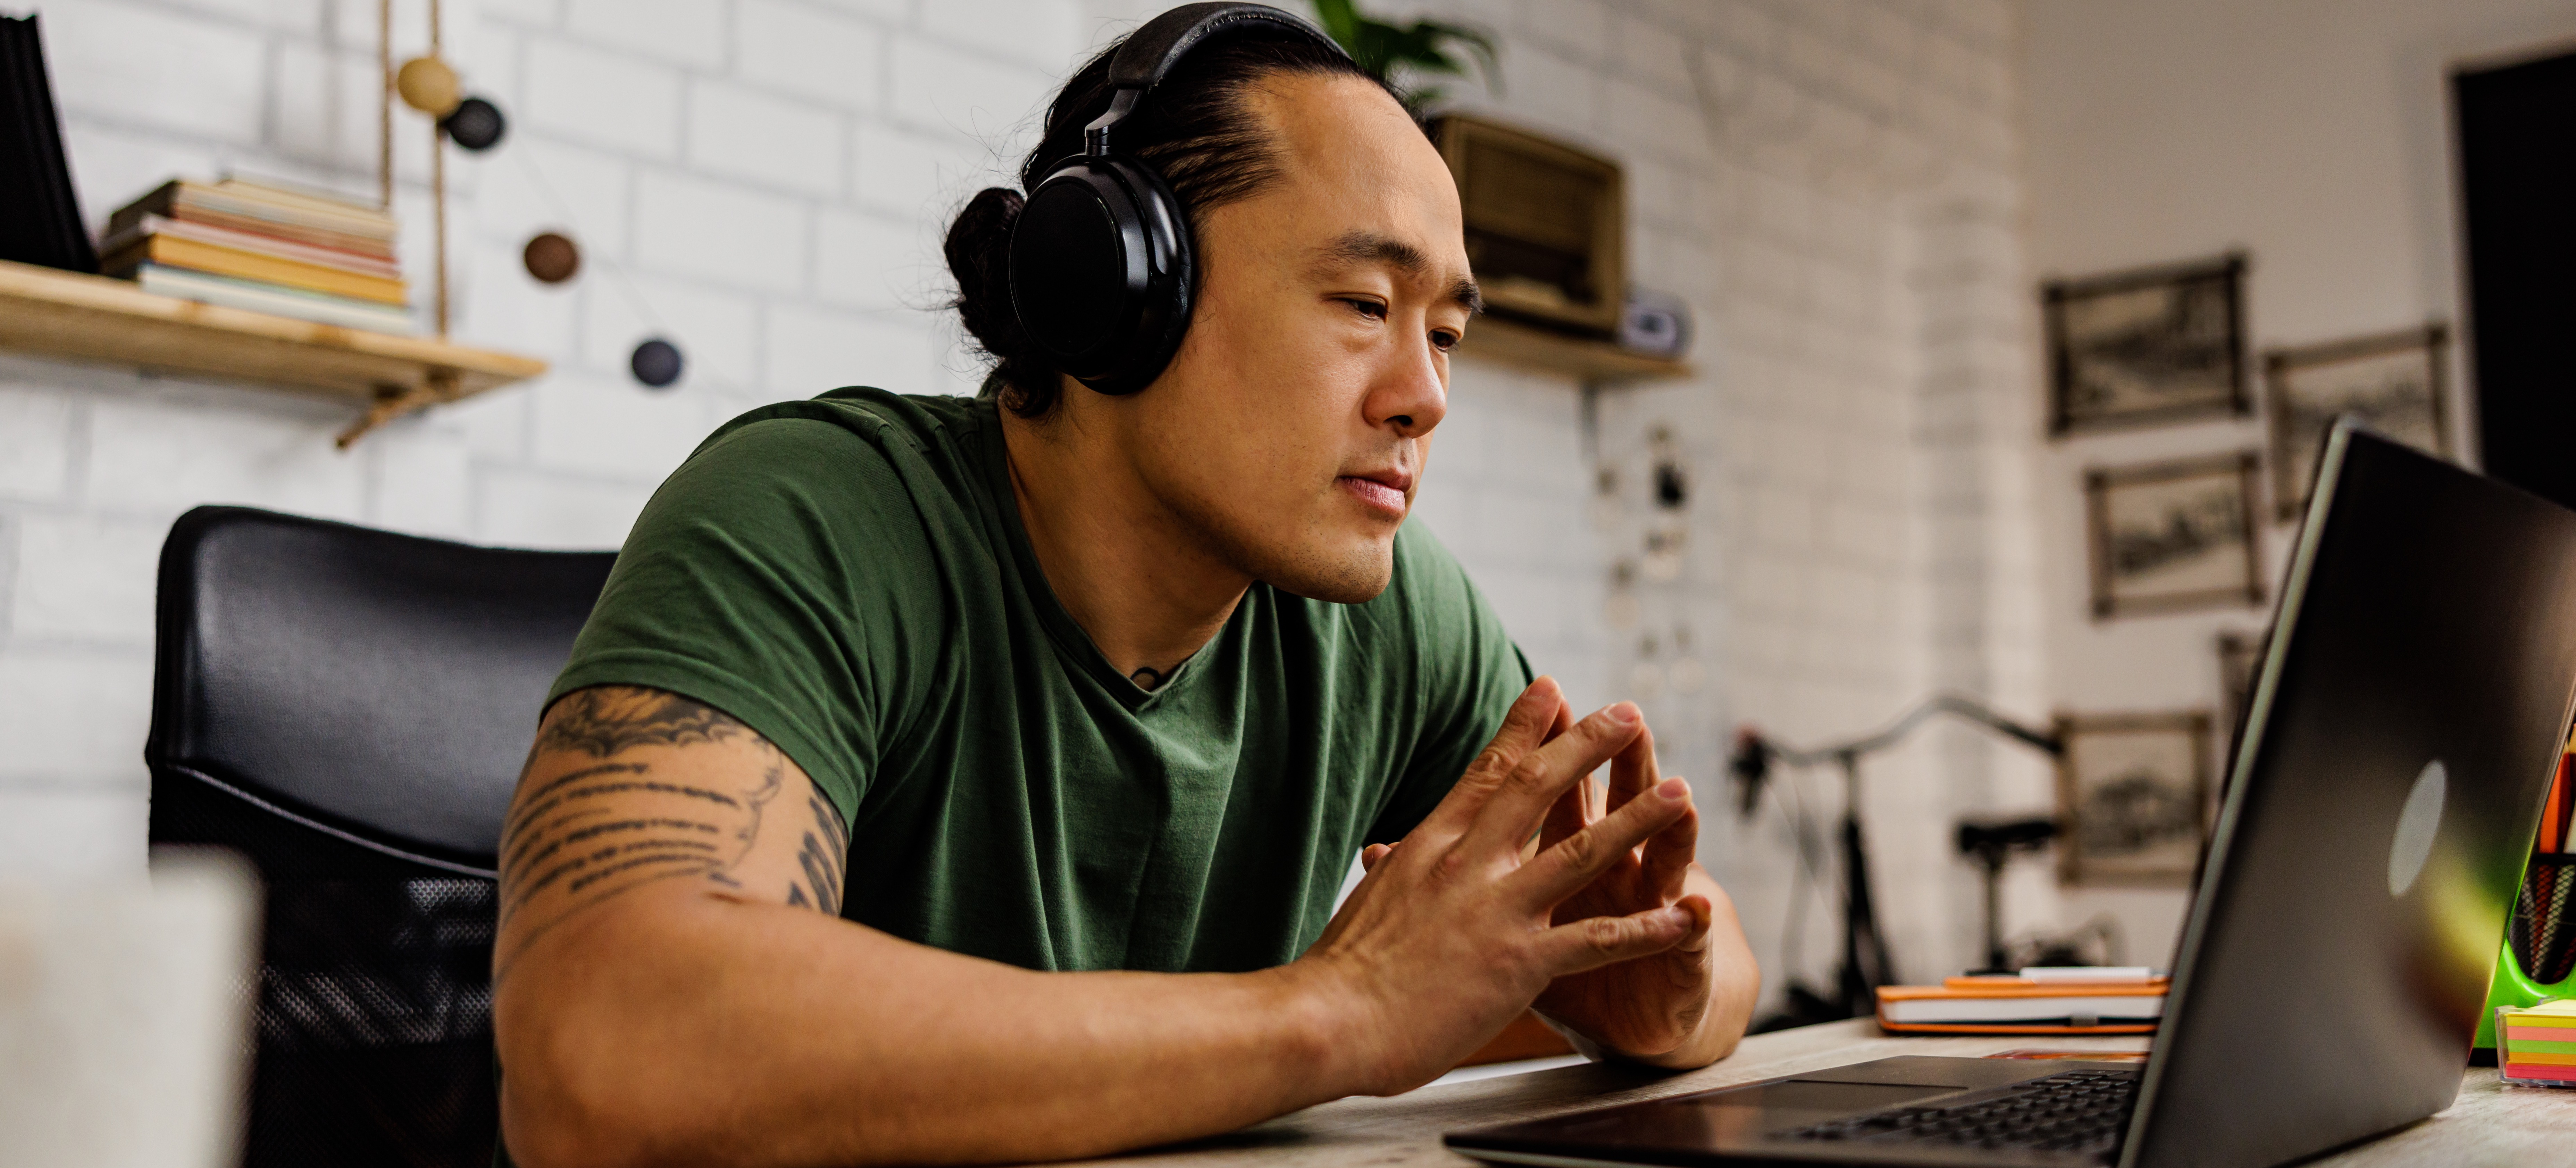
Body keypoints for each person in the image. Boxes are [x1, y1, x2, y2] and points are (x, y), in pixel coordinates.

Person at [490, 7, 1759, 1166]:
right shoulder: (817, 513)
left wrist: (1658, 994)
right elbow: (608, 1057)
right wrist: (1339, 1011)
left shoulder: (1383, 609)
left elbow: (1710, 945)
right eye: (1363, 302)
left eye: (1444, 334)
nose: (1423, 394)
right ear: (1112, 288)